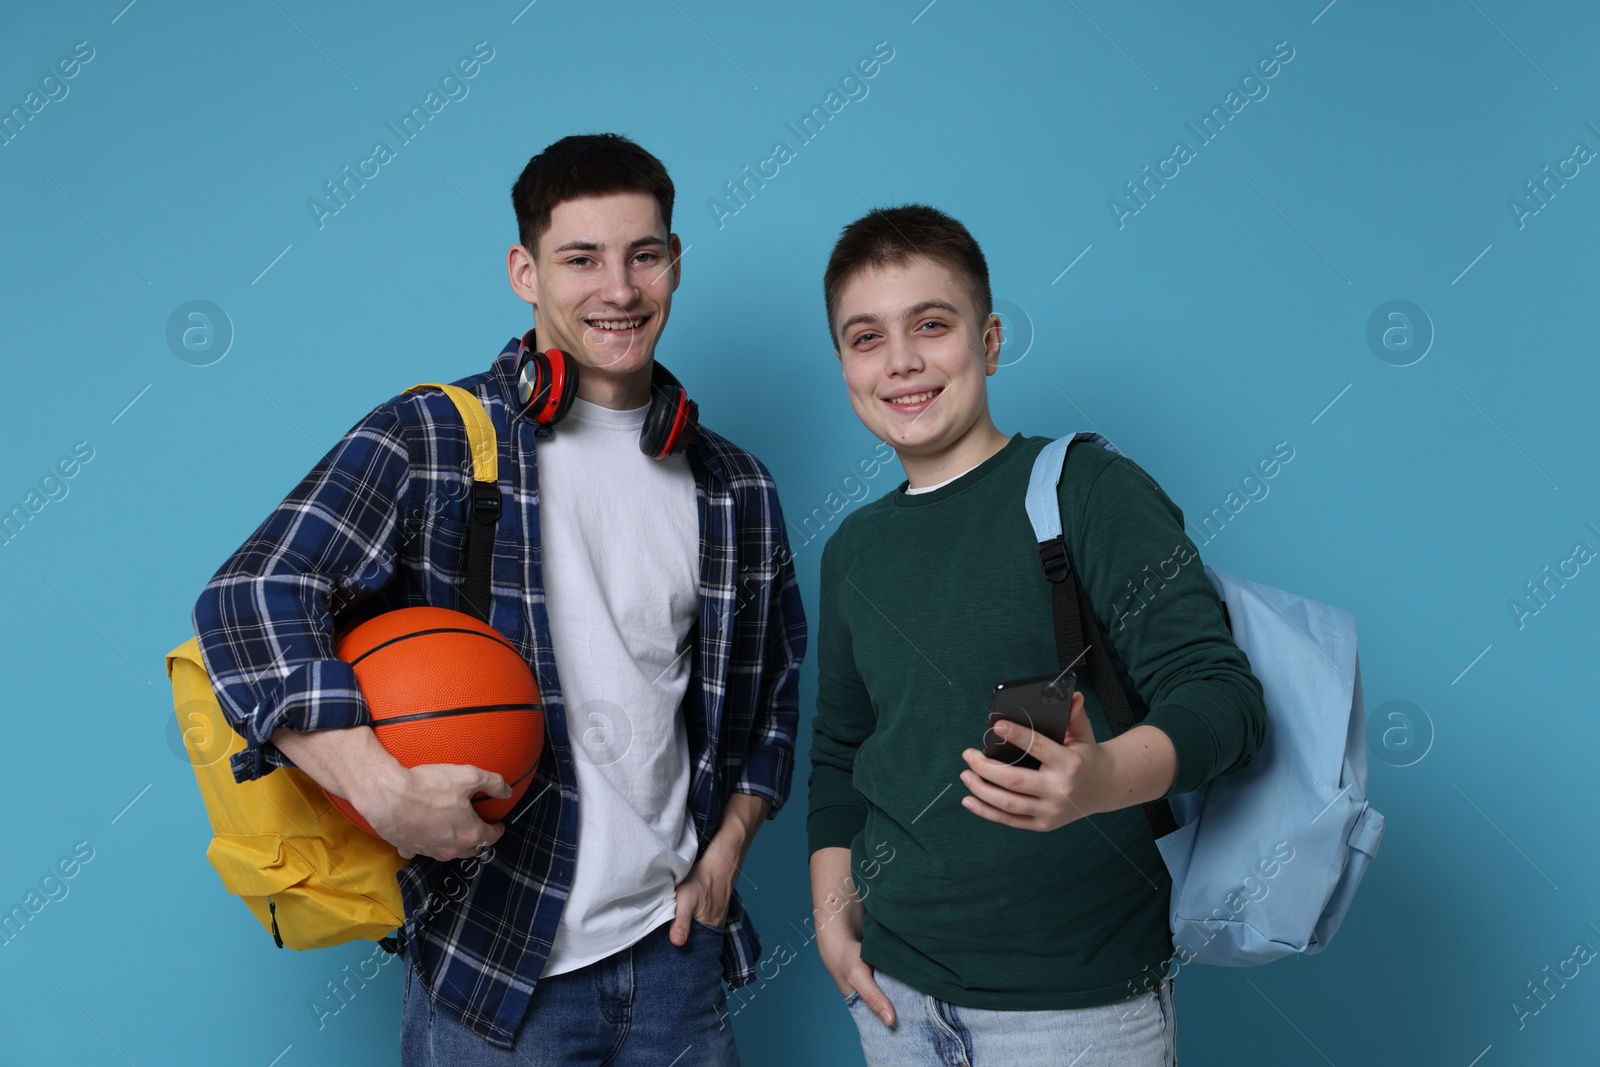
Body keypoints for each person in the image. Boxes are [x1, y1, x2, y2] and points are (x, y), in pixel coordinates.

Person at [194, 133, 806, 1065]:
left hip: (679, 963)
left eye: (644, 255)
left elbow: (773, 697)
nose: (619, 288)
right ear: (525, 271)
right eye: (581, 258)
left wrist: (725, 850)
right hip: (496, 968)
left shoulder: (735, 485)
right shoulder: (433, 438)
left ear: (675, 264)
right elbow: (249, 598)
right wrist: (382, 791)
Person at [805, 204, 1267, 1066]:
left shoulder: (1088, 490)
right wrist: (834, 917)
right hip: (897, 1001)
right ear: (843, 365)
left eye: (930, 325)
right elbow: (840, 748)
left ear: (989, 340)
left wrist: (1101, 779)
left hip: (1078, 1011)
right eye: (866, 338)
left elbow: (1227, 700)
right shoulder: (853, 549)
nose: (901, 360)